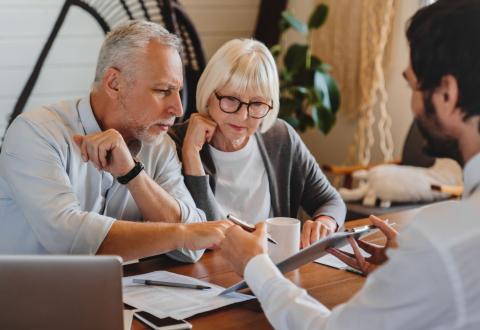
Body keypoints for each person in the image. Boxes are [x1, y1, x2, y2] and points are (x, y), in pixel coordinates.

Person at [219, 0, 480, 328]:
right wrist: (403, 278)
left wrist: (255, 265)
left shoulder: (441, 241)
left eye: (412, 85)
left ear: (447, 93)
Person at [0, 20, 232, 262]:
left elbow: (191, 250)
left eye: (177, 91)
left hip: (122, 295)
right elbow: (69, 242)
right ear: (114, 83)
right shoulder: (35, 133)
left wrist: (133, 174)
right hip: (27, 297)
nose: (178, 108)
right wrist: (182, 234)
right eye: (163, 90)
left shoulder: (160, 145)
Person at [169, 39, 346, 248]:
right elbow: (201, 234)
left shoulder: (279, 137)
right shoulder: (175, 142)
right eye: (231, 99)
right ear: (208, 95)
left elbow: (331, 201)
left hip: (270, 268)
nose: (243, 115)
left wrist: (325, 222)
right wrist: (191, 155)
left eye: (257, 103)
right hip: (205, 273)